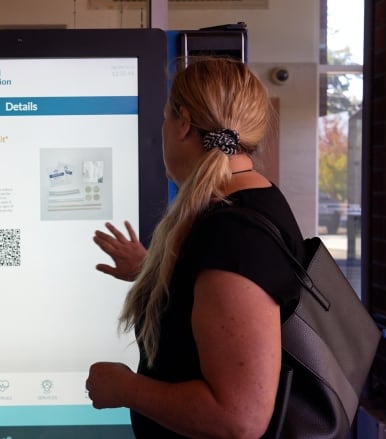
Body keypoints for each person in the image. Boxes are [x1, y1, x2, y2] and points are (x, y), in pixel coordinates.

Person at [85, 57, 305, 438]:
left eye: (166, 119)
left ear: (183, 122)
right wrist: (151, 270)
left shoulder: (234, 234)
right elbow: (218, 298)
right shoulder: (249, 202)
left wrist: (124, 388)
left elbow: (239, 419)